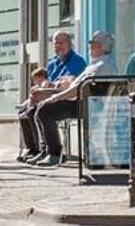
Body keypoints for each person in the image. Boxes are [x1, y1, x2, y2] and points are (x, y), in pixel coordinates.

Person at [30, 31, 115, 166]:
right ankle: (45, 150)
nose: (90, 47)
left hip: (88, 105)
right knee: (38, 108)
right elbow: (74, 85)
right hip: (82, 101)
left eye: (92, 44)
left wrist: (56, 97)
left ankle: (54, 153)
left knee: (45, 110)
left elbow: (77, 89)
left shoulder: (101, 66)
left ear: (100, 47)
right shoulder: (96, 64)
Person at [17, 30, 86, 162]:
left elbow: (67, 86)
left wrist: (47, 89)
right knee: (26, 112)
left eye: (62, 42)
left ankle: (54, 152)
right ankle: (35, 149)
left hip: (72, 100)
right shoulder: (53, 63)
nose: (58, 46)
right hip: (53, 97)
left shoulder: (78, 61)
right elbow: (49, 83)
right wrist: (40, 89)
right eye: (56, 43)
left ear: (70, 44)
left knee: (43, 111)